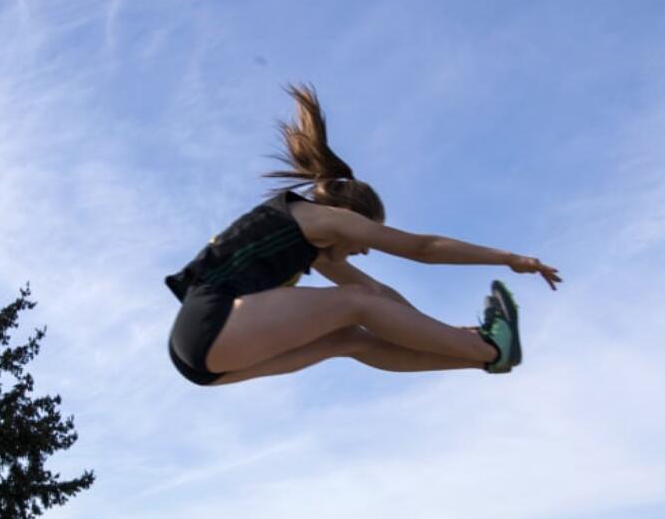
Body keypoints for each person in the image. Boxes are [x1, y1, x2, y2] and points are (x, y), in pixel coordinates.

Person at [166, 84, 561, 387]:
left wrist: (450, 334)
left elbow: (385, 301)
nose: (365, 249)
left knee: (351, 339)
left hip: (204, 363)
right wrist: (509, 257)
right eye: (367, 237)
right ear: (351, 216)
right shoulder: (323, 219)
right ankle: (488, 346)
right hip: (208, 328)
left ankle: (489, 356)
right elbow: (423, 248)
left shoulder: (315, 251)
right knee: (357, 304)